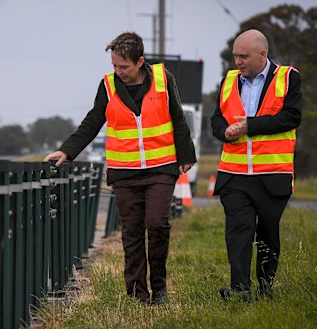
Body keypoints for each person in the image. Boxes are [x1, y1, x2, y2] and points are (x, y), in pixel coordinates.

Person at [44, 32, 196, 304]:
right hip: (125, 171)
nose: (118, 72)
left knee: (157, 224)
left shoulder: (163, 79)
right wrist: (67, 150)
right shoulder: (108, 86)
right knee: (132, 232)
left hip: (162, 167)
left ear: (140, 61)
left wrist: (186, 154)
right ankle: (137, 293)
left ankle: (159, 287)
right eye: (114, 66)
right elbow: (93, 121)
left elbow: (177, 116)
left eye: (123, 67)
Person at [211, 29, 302, 301]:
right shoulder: (228, 81)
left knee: (267, 234)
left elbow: (291, 118)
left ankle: (265, 289)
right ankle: (240, 290)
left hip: (272, 175)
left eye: (243, 56)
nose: (237, 61)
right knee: (238, 232)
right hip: (234, 175)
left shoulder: (288, 78)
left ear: (262, 54)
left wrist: (249, 126)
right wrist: (224, 131)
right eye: (235, 56)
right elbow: (217, 119)